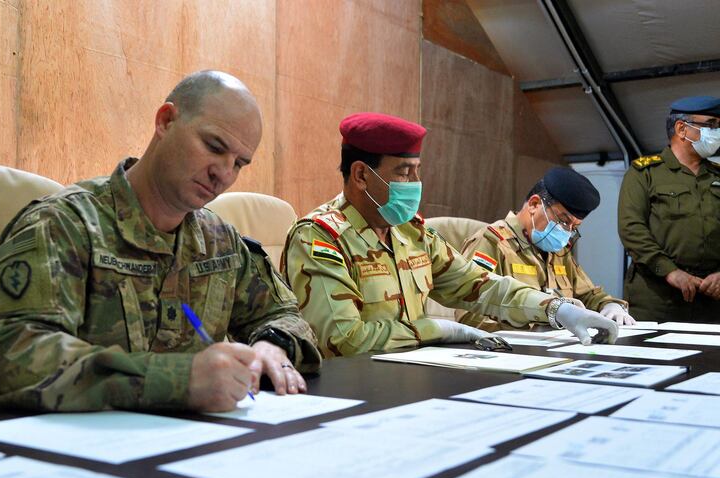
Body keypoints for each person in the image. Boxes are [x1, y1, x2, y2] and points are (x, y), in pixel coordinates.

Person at [0, 70, 321, 413]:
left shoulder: (220, 241)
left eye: (239, 163)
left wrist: (271, 345)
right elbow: (6, 357)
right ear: (165, 121)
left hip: (190, 447)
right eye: (214, 147)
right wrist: (176, 381)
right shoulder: (65, 224)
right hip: (81, 450)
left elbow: (284, 313)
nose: (224, 174)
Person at [281, 112, 617, 357]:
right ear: (360, 176)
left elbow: (481, 286)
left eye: (417, 172)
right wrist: (438, 330)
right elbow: (344, 340)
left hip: (412, 381)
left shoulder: (412, 234)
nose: (414, 185)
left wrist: (557, 310)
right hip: (352, 391)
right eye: (403, 172)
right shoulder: (320, 238)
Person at [457, 167, 633, 331]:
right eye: (564, 221)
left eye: (574, 227)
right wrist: (535, 329)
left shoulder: (558, 250)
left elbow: (587, 294)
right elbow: (468, 315)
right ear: (534, 204)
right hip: (511, 354)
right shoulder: (491, 242)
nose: (566, 232)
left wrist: (610, 306)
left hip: (557, 350)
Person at [619, 96, 720, 322]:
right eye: (711, 124)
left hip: (712, 299)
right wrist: (670, 272)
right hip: (657, 298)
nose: (717, 131)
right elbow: (632, 229)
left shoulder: (717, 175)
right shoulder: (645, 173)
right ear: (682, 129)